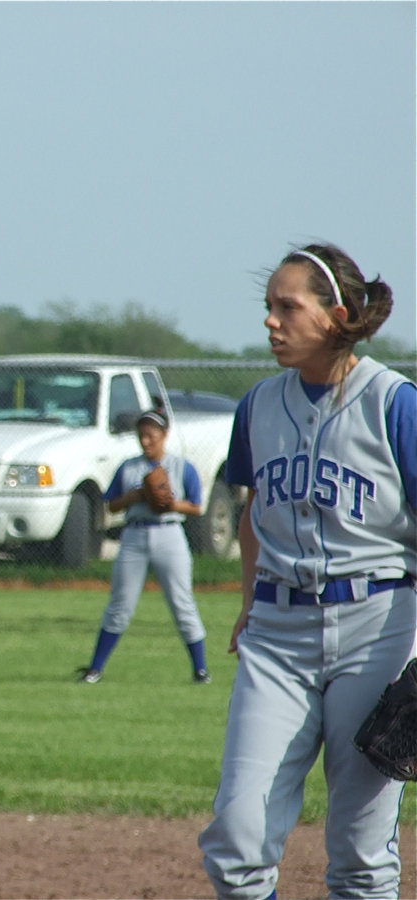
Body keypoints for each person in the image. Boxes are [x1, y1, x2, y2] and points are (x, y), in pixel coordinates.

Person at [198, 243, 416, 899]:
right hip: (277, 632)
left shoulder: (394, 404)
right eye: (268, 308)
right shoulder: (258, 405)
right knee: (237, 842)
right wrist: (244, 603)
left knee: (359, 852)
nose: (271, 321)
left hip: (377, 629)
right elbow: (253, 510)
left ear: (336, 315)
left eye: (288, 307)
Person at [78, 408, 210, 684]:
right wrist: (134, 497)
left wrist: (170, 504)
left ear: (164, 435)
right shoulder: (129, 467)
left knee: (181, 603)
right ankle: (95, 669)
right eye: (142, 436)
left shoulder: (181, 467)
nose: (146, 441)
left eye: (151, 435)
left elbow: (197, 507)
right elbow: (111, 504)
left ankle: (200, 670)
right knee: (120, 604)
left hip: (169, 534)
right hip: (135, 536)